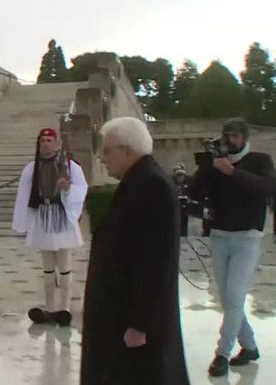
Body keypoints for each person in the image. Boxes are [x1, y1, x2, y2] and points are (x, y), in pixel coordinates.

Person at [80, 117, 188, 385]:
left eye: (107, 151)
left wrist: (141, 324)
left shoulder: (153, 186)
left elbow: (156, 263)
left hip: (133, 325)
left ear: (127, 150)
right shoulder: (138, 182)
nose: (103, 159)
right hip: (121, 316)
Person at [190, 117, 276, 377]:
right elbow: (195, 192)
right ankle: (249, 346)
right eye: (226, 135)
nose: (229, 141)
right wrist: (207, 167)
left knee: (235, 296)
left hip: (247, 238)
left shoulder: (259, 160)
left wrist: (233, 172)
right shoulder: (216, 165)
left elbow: (267, 187)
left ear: (245, 138)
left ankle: (222, 354)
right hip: (220, 236)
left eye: (234, 136)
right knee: (228, 299)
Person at [11, 128, 87, 327]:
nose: (45, 144)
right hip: (42, 216)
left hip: (60, 216)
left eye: (49, 140)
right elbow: (24, 194)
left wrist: (68, 188)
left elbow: (82, 187)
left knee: (64, 266)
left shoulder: (69, 166)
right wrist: (24, 221)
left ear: (56, 143)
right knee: (47, 268)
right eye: (42, 140)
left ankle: (65, 308)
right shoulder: (31, 168)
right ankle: (51, 307)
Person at [172, 163, 192, 237]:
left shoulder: (188, 183)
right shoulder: (173, 183)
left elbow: (190, 192)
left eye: (182, 176)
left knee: (184, 220)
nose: (180, 177)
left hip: (185, 204)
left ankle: (184, 235)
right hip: (176, 204)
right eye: (178, 176)